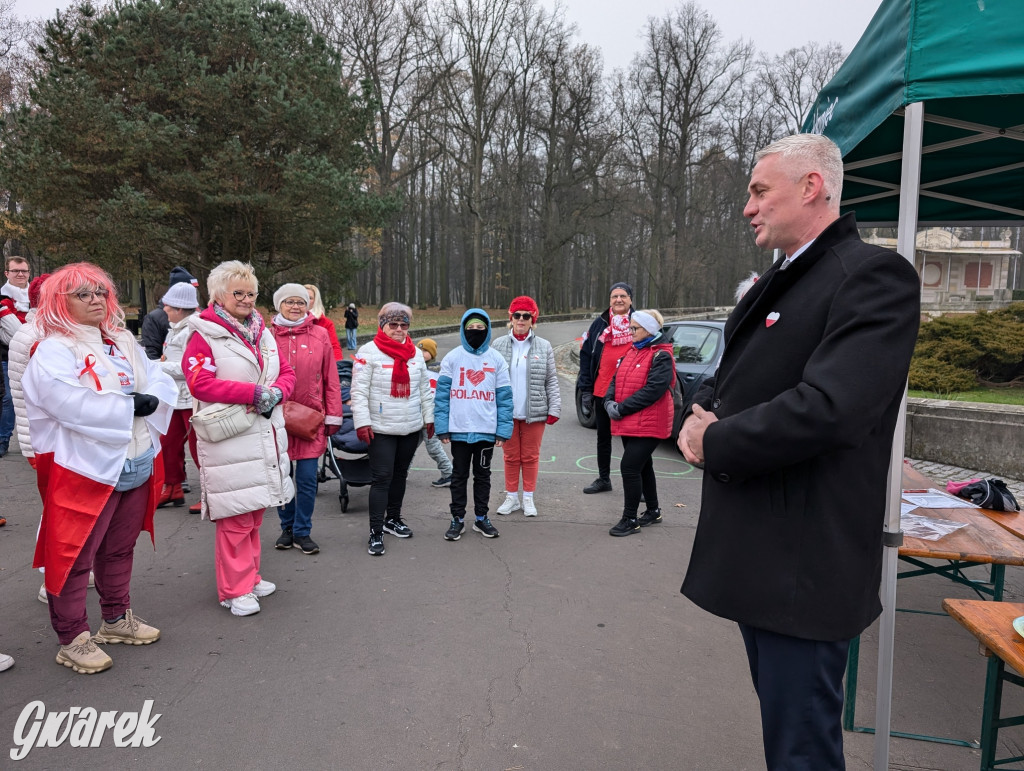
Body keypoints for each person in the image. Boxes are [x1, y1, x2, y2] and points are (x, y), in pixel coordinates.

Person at [678, 133, 921, 770]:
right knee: (788, 740)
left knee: (802, 751)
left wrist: (717, 438)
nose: (747, 207)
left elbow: (831, 409)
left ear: (811, 187)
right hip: (764, 558)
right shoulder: (784, 279)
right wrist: (697, 411)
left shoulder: (871, 276)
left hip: (803, 569)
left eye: (760, 191)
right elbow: (729, 375)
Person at [23, 262, 177, 674]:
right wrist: (127, 405)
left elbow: (157, 376)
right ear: (60, 301)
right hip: (85, 468)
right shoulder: (54, 349)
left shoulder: (121, 339)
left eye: (100, 292)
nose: (96, 300)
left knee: (120, 547)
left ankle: (115, 619)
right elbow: (63, 401)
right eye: (83, 294)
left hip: (136, 457)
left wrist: (149, 398)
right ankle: (72, 636)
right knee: (75, 554)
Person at [182, 261, 296, 616]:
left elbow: (287, 371)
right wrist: (253, 393)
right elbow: (199, 382)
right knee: (235, 517)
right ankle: (234, 589)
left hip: (263, 431)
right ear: (218, 295)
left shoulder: (261, 331)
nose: (246, 300)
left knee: (255, 511)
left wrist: (277, 392)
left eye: (251, 293)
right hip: (231, 437)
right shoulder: (202, 332)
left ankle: (249, 577)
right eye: (238, 293)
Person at [350, 302, 433, 556]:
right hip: (381, 428)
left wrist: (429, 419)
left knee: (400, 475)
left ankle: (393, 519)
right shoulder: (369, 352)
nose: (399, 329)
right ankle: (375, 530)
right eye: (393, 324)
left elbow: (424, 391)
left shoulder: (416, 354)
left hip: (410, 427)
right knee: (382, 478)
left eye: (403, 325)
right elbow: (359, 391)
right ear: (382, 326)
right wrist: (362, 422)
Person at [270, 283, 342, 555]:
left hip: (311, 419)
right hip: (276, 417)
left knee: (308, 478)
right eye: (289, 302)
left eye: (300, 302)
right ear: (279, 305)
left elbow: (331, 379)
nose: (295, 307)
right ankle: (287, 527)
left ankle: (303, 531)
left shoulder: (320, 334)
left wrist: (333, 416)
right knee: (282, 475)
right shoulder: (265, 336)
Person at [435, 310, 513, 541]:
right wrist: (442, 427)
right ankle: (457, 519)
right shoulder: (452, 358)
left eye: (480, 329)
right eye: (471, 328)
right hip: (458, 432)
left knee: (483, 476)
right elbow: (441, 397)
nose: (476, 332)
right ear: (463, 329)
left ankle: (481, 518)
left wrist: (502, 430)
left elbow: (505, 398)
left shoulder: (497, 359)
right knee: (459, 476)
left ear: (488, 330)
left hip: (486, 432)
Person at [603, 309, 674, 536]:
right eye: (631, 327)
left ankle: (630, 519)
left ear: (649, 330)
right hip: (632, 420)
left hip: (650, 421)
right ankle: (653, 510)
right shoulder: (633, 351)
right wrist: (608, 402)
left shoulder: (661, 355)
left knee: (630, 467)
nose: (630, 331)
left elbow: (654, 390)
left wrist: (621, 408)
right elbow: (616, 379)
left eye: (635, 328)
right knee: (643, 466)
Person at [490, 296, 560, 517]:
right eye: (517, 315)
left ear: (533, 319)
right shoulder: (498, 344)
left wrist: (554, 408)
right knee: (510, 457)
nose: (521, 320)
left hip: (535, 411)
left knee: (530, 456)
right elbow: (490, 379)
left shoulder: (544, 346)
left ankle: (528, 497)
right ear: (510, 318)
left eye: (526, 316)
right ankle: (512, 497)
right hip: (506, 413)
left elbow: (551, 379)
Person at [576, 282, 634, 494]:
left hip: (629, 393)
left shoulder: (638, 323)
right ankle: (603, 479)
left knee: (632, 443)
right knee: (603, 438)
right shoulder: (600, 323)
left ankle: (641, 486)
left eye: (623, 296)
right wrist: (586, 389)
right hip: (601, 389)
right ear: (609, 300)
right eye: (614, 296)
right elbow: (586, 355)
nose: (618, 300)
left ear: (630, 300)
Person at [156, 281, 201, 509]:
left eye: (168, 306)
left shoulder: (193, 331)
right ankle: (172, 487)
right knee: (167, 443)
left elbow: (188, 368)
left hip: (191, 399)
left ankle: (212, 495)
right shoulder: (176, 328)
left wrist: (155, 367)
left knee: (198, 448)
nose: (164, 310)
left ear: (180, 309)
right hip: (175, 398)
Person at [0, 256, 31, 457]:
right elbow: (17, 333)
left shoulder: (39, 296)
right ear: (7, 273)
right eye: (15, 271)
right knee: (10, 399)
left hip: (37, 356)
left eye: (24, 271)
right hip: (8, 356)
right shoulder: (2, 298)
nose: (20, 274)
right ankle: (3, 440)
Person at [416, 337, 453, 487]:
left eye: (425, 351)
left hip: (431, 416)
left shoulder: (439, 370)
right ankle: (401, 472)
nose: (422, 353)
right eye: (419, 350)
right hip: (417, 415)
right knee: (409, 447)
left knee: (433, 447)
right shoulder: (415, 367)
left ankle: (448, 473)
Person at [140, 266, 199, 360]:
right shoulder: (157, 319)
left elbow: (190, 364)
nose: (193, 294)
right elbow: (152, 351)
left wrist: (158, 365)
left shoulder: (196, 326)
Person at [304, 284, 343, 362]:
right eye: (303, 297)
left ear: (315, 301)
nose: (306, 300)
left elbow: (334, 347)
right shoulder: (287, 322)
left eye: (310, 298)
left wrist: (338, 367)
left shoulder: (325, 323)